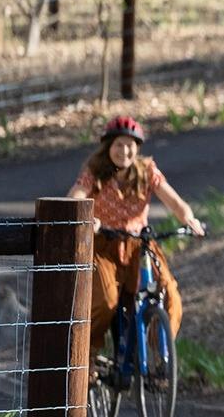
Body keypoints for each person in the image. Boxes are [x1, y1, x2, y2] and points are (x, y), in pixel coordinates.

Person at [67, 115, 206, 360]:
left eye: (130, 145)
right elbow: (76, 195)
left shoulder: (146, 171)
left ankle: (160, 357)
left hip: (139, 247)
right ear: (108, 146)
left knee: (169, 295)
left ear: (138, 147)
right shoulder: (95, 171)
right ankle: (86, 358)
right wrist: (86, 217)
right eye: (118, 144)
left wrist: (189, 219)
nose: (124, 151)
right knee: (104, 301)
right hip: (103, 246)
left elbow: (174, 201)